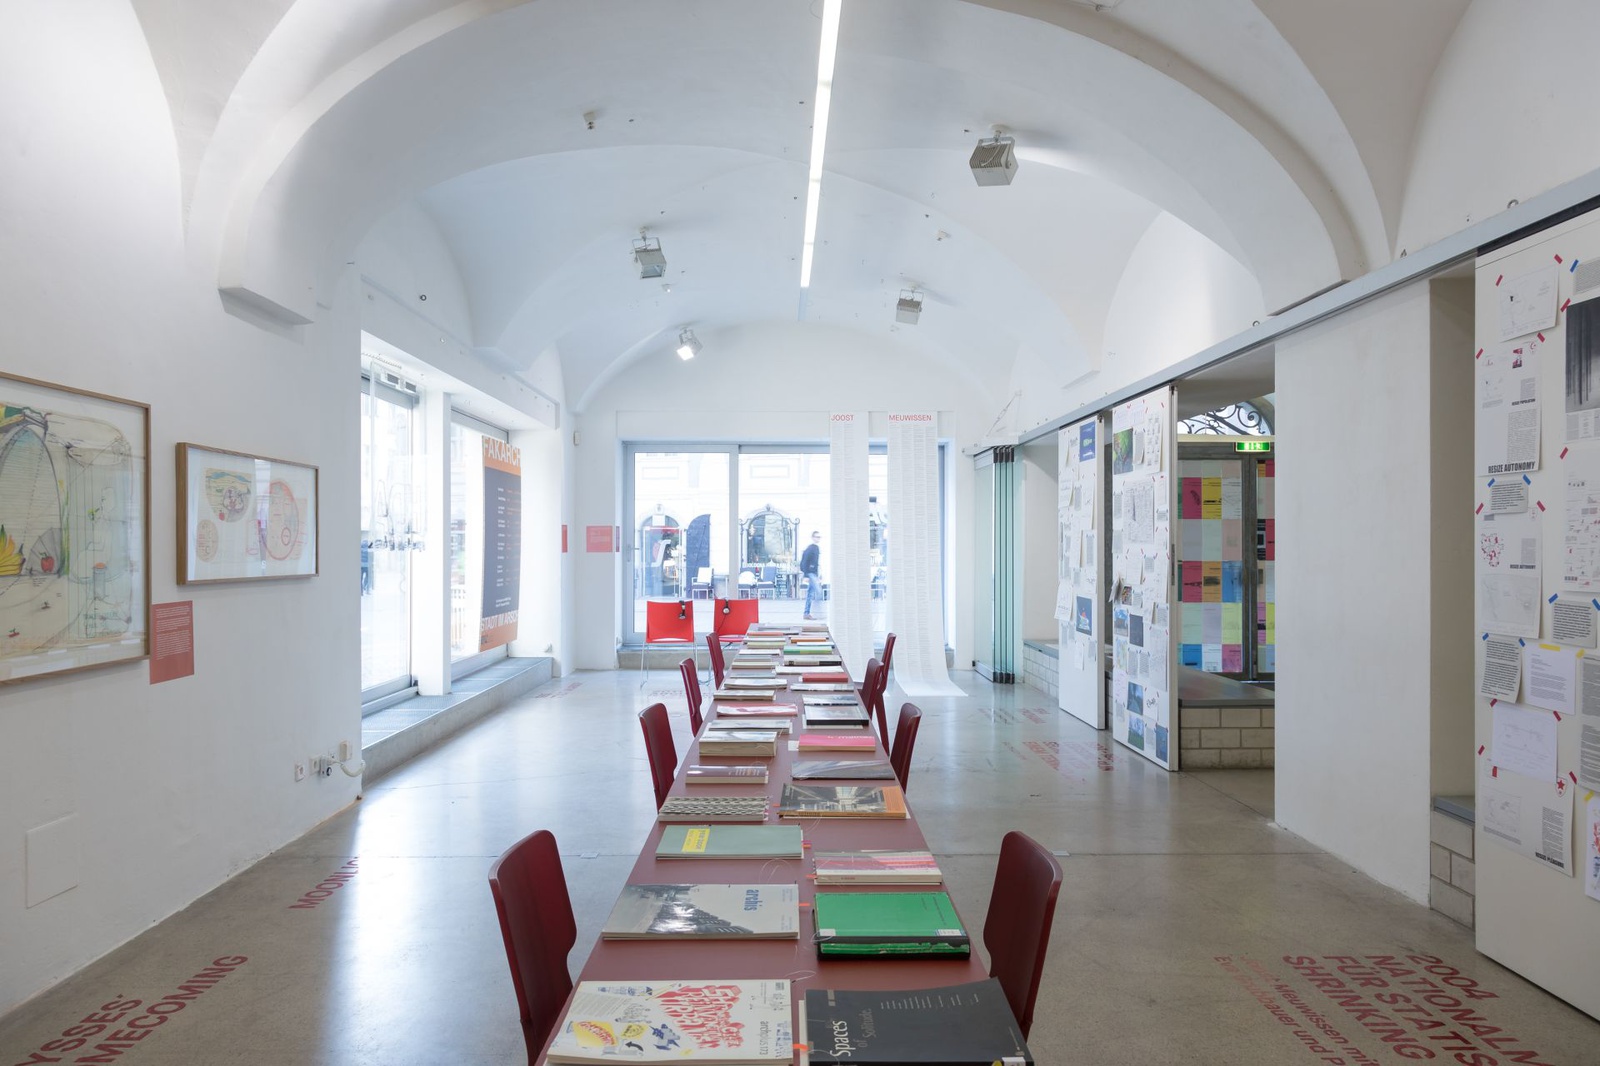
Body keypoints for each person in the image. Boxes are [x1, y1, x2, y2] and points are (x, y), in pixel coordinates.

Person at [799, 530, 821, 619]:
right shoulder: (811, 548)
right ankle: (812, 612)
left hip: (814, 573)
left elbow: (816, 563)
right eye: (817, 537)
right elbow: (805, 561)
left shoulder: (816, 548)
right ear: (813, 537)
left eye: (819, 537)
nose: (818, 538)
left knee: (811, 593)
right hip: (811, 573)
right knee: (818, 592)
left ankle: (807, 613)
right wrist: (806, 575)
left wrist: (818, 575)